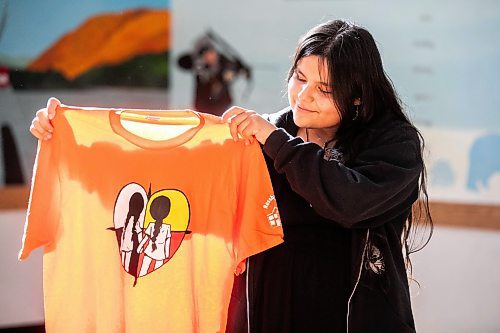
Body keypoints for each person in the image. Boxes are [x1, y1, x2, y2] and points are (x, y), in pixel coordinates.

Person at [30, 19, 432, 333]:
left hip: (356, 321)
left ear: (358, 95)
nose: (304, 97)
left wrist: (278, 144)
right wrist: (71, 143)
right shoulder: (262, 137)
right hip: (265, 315)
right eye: (300, 78)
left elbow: (349, 201)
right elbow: (174, 176)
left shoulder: (392, 144)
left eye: (325, 90)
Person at [177, 32, 252, 116]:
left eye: (212, 52)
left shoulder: (222, 61)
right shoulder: (201, 67)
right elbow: (208, 74)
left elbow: (231, 71)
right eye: (208, 54)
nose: (212, 56)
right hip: (205, 103)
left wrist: (241, 71)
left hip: (220, 102)